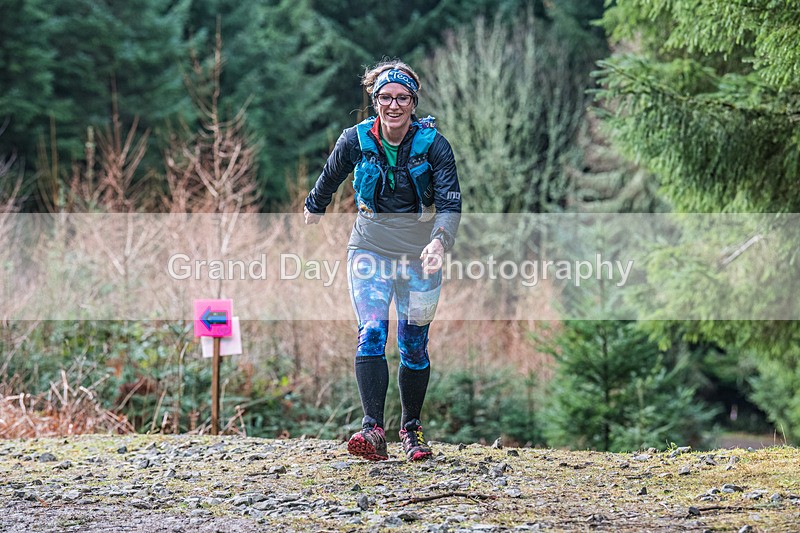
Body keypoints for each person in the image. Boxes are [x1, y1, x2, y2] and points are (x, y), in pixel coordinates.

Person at [303, 60, 461, 461]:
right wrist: (314, 206)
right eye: (386, 97)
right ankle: (372, 430)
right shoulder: (355, 140)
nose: (394, 105)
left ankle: (412, 430)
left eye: (402, 98)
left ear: (413, 103)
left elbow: (450, 201)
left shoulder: (435, 145)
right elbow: (330, 175)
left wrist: (440, 242)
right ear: (375, 101)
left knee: (414, 345)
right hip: (369, 247)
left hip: (420, 254)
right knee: (372, 330)